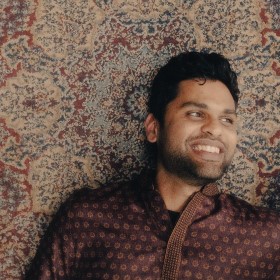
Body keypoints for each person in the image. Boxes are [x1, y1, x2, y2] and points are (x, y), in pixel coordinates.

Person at [25, 51, 280, 280]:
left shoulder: (267, 237)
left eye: (227, 119)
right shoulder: (87, 215)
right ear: (153, 128)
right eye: (195, 113)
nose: (215, 128)